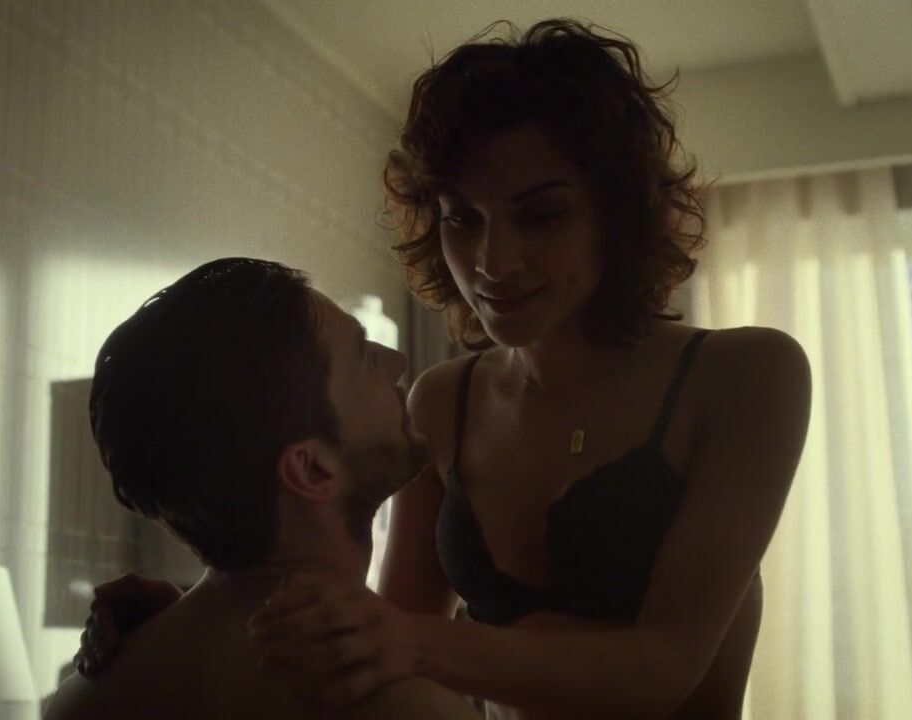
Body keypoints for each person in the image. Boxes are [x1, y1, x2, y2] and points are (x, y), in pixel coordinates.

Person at [79, 19, 811, 719]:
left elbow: (663, 667)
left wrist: (405, 641)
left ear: (616, 215)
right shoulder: (443, 402)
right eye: (463, 218)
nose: (494, 262)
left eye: (541, 216)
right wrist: (201, 625)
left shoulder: (744, 376)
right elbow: (380, 641)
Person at [45, 258, 480, 719]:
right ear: (312, 469)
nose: (396, 362)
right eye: (365, 359)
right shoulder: (407, 708)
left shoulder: (81, 700)